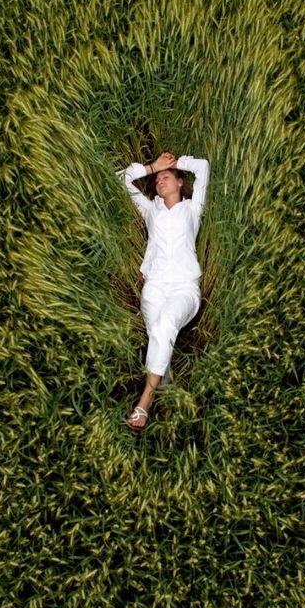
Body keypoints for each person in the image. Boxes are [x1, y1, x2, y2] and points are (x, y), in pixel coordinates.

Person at [115, 150, 210, 430]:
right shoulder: (150, 209)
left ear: (181, 182)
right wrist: (152, 166)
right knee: (159, 334)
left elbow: (203, 167)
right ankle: (166, 384)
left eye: (167, 177)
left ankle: (145, 401)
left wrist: (177, 163)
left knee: (165, 324)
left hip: (184, 289)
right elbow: (121, 180)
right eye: (158, 179)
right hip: (154, 286)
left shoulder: (193, 208)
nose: (160, 181)